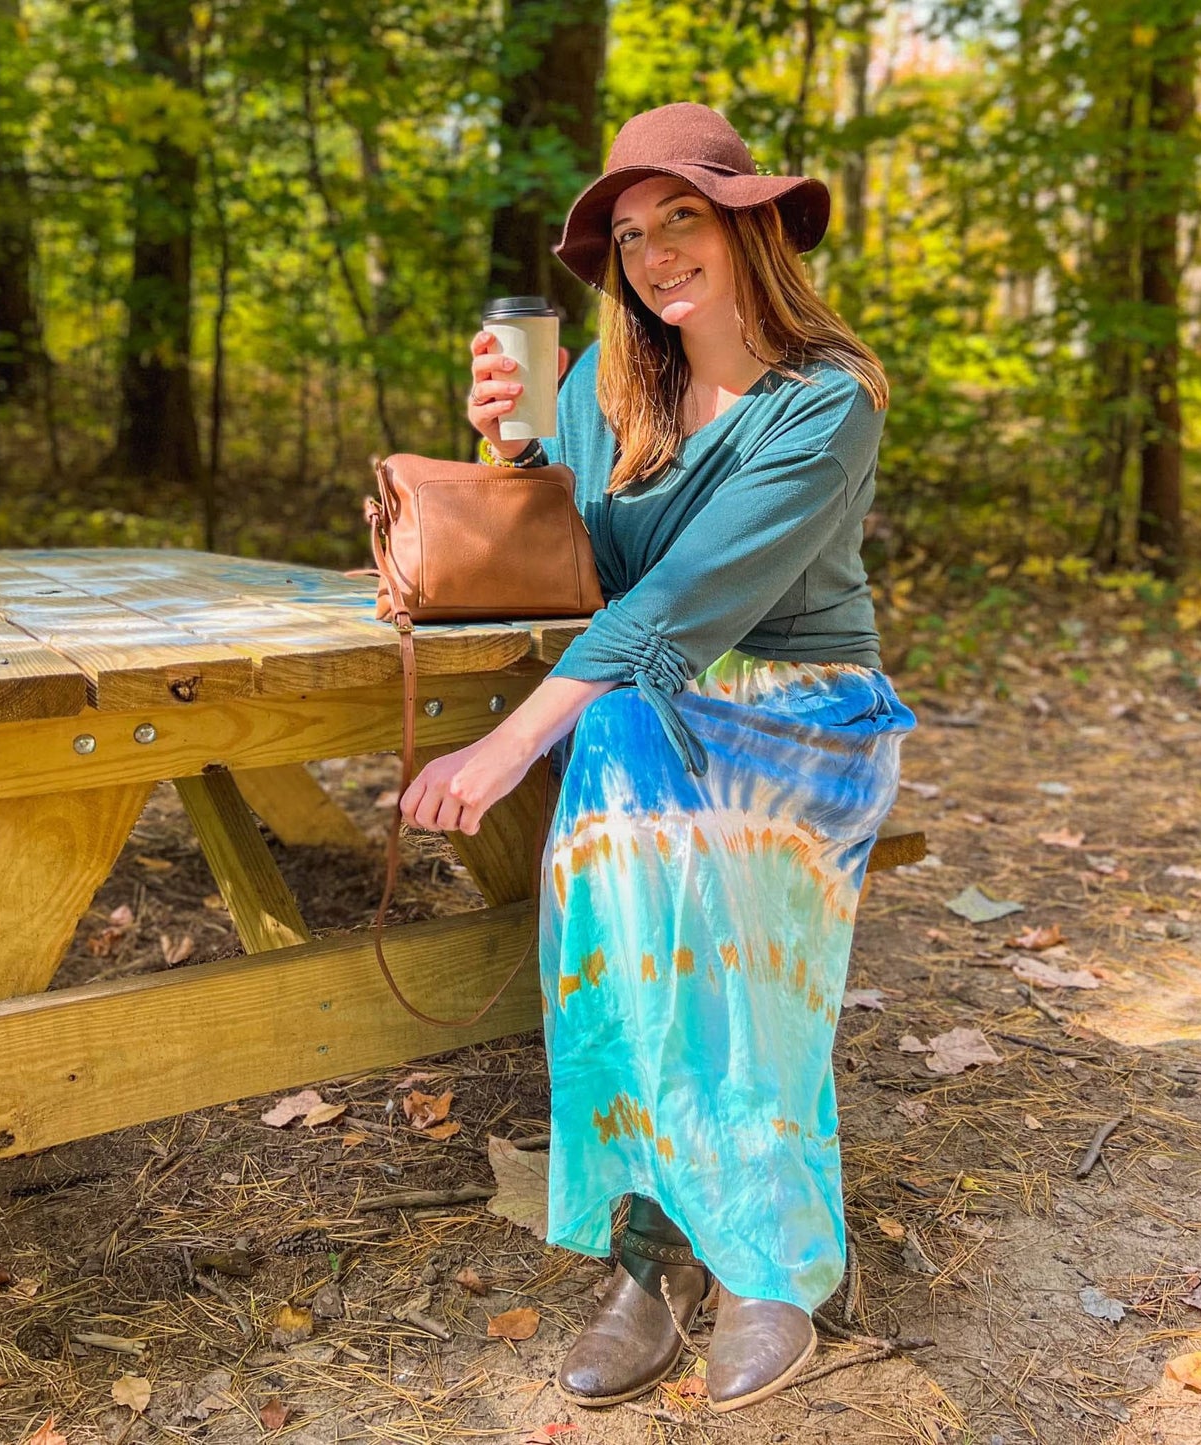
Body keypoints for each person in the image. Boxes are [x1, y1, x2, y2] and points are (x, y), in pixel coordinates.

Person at [399, 101, 916, 1413]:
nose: (651, 252)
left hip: (802, 714)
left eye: (680, 217)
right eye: (628, 234)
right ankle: (661, 1248)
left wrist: (513, 742)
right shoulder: (603, 379)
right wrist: (509, 445)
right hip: (645, 715)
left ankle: (753, 1267)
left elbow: (673, 601)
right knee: (629, 889)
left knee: (658, 873)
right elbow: (561, 549)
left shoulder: (826, 398)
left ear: (748, 224)